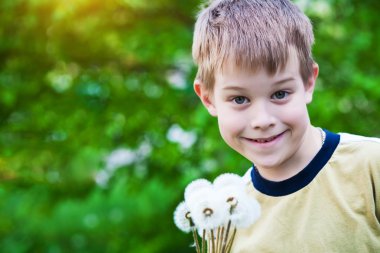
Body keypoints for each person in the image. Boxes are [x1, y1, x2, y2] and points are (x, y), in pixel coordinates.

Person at [191, 0, 380, 252]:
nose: (262, 120)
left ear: (308, 82)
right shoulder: (225, 218)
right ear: (208, 99)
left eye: (280, 94)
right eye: (239, 99)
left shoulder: (370, 166)